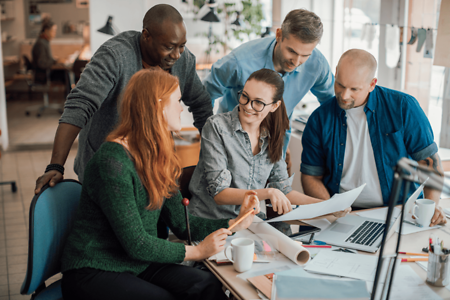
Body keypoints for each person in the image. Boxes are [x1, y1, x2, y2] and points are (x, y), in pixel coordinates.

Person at [60, 68, 259, 300]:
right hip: (94, 268)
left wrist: (234, 223)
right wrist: (197, 251)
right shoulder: (112, 162)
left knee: (205, 284)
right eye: (177, 100)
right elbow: (137, 243)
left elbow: (181, 223)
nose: (181, 108)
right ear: (158, 105)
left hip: (135, 262)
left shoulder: (156, 155)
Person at [34, 4, 212, 192]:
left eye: (182, 46)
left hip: (153, 165)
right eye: (168, 47)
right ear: (146, 36)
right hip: (107, 167)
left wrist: (213, 155)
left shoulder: (183, 61)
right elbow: (79, 106)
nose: (176, 55)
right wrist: (56, 165)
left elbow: (201, 105)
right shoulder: (115, 56)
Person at [189, 69, 349, 235]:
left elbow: (284, 190)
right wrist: (269, 193)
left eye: (258, 102)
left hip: (249, 225)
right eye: (245, 96)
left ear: (274, 106)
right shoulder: (216, 127)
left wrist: (329, 206)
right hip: (210, 226)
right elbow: (219, 193)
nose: (248, 106)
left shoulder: (272, 135)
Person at [300, 49, 446, 227]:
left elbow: (430, 165)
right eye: (340, 85)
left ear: (372, 84)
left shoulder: (403, 107)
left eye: (354, 89)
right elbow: (311, 176)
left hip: (399, 212)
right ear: (335, 74)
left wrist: (432, 206)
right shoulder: (319, 119)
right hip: (343, 215)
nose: (344, 95)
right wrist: (330, 210)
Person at [203, 9, 335, 174]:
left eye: (305, 55)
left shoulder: (317, 64)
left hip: (276, 147)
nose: (296, 61)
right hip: (230, 145)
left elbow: (331, 103)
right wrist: (210, 140)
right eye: (292, 51)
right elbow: (204, 96)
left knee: (273, 196)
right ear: (279, 35)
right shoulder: (240, 61)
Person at [31, 19, 69, 94]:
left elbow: (45, 59)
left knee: (66, 72)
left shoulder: (44, 41)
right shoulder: (41, 43)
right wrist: (55, 61)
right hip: (44, 74)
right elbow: (42, 63)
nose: (54, 33)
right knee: (66, 73)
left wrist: (55, 60)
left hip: (45, 72)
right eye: (53, 30)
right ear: (46, 30)